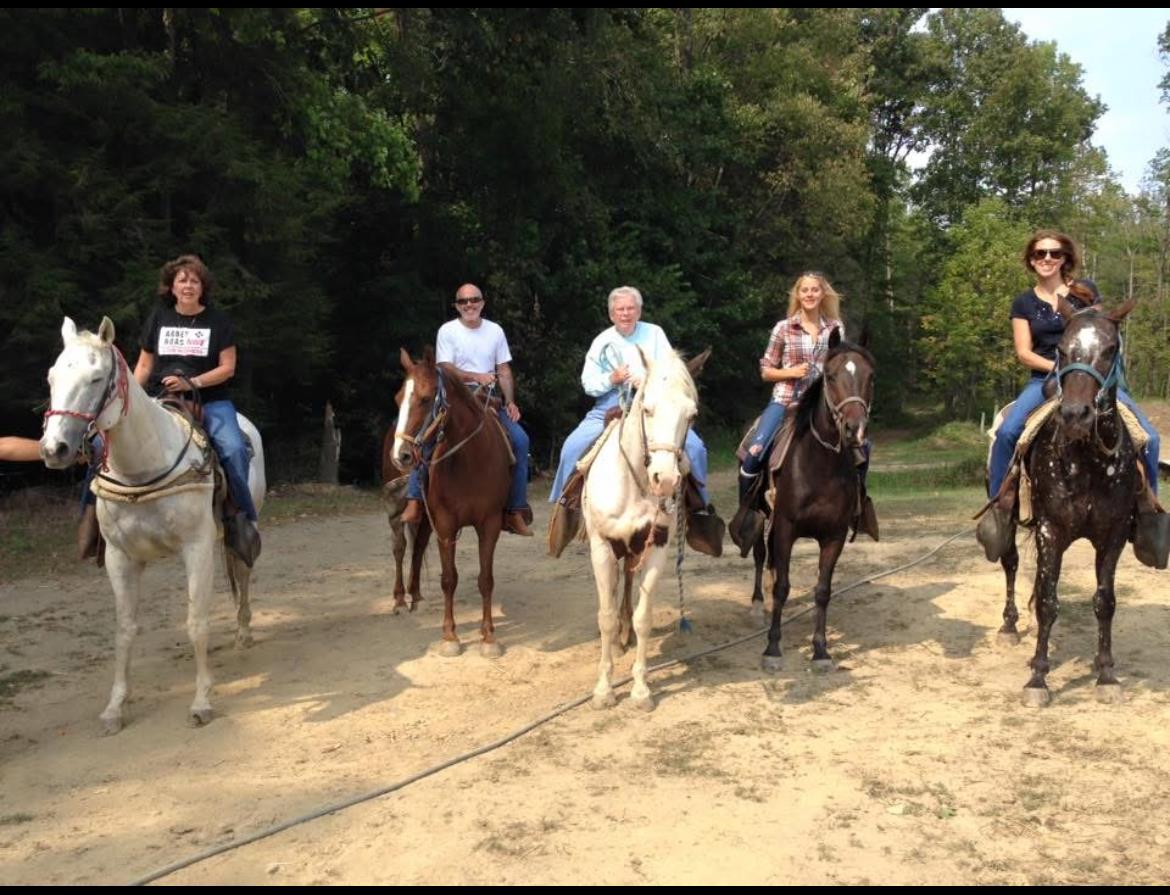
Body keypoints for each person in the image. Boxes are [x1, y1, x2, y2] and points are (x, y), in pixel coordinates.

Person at [980, 229, 1163, 562]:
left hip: (1094, 379)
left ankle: (1148, 512)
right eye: (1039, 254)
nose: (1046, 259)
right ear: (1031, 260)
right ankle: (1000, 510)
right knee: (1007, 433)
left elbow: (1103, 332)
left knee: (1148, 437)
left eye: (1053, 253)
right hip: (1045, 379)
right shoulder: (1024, 302)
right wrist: (1064, 367)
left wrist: (1084, 370)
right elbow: (1023, 352)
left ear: (1065, 257)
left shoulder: (1085, 293)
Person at [548, 285, 722, 556]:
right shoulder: (601, 340)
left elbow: (670, 369)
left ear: (639, 311)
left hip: (653, 404)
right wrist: (611, 379)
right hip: (610, 404)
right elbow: (587, 382)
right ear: (611, 314)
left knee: (696, 448)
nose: (625, 313)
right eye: (620, 309)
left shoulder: (654, 333)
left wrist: (648, 380)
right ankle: (566, 509)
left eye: (630, 308)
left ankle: (699, 512)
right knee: (572, 446)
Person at [133, 254, 260, 564]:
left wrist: (193, 382)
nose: (188, 285)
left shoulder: (218, 321)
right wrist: (133, 398)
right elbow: (145, 364)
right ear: (171, 287)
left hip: (211, 400)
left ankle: (240, 518)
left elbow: (228, 368)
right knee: (103, 442)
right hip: (160, 398)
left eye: (194, 280)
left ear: (202, 287)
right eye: (182, 280)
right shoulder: (158, 318)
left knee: (233, 449)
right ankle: (94, 520)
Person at [400, 283, 533, 536]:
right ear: (457, 306)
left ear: (482, 302)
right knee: (425, 438)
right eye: (463, 302)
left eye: (474, 300)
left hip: (489, 398)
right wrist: (476, 375)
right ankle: (414, 499)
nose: (469, 305)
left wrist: (510, 401)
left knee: (521, 440)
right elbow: (446, 368)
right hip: (453, 396)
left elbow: (503, 370)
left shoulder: (495, 331)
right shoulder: (448, 331)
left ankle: (515, 509)